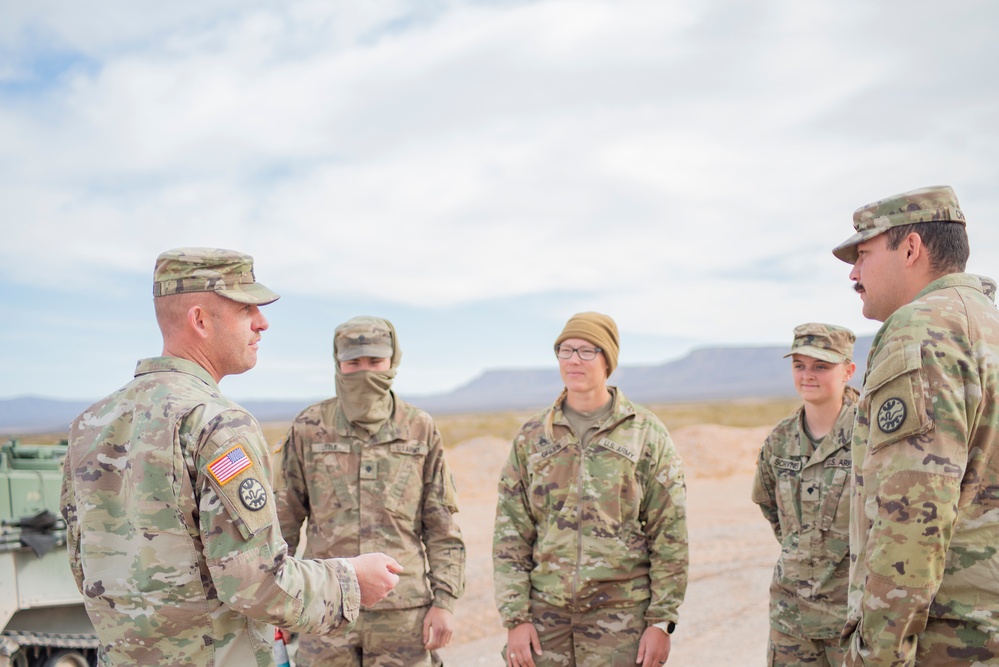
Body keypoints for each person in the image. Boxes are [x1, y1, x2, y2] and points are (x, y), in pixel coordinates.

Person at [60, 248, 402, 666]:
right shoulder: (216, 423)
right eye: (246, 309)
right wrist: (351, 581)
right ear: (200, 320)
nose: (262, 322)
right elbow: (255, 582)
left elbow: (84, 568)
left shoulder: (89, 424)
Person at [832, 185, 999, 664]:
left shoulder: (921, 328)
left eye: (863, 253)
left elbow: (914, 515)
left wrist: (879, 655)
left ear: (910, 249)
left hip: (948, 641)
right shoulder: (986, 324)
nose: (853, 272)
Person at [492, 312, 688, 667]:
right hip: (545, 617)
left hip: (620, 617)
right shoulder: (533, 436)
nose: (573, 360)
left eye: (586, 351)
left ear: (608, 359)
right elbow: (511, 534)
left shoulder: (645, 432)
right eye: (565, 350)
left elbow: (669, 532)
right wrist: (516, 618)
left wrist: (661, 621)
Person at [276, 315, 466, 666]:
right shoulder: (309, 428)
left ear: (393, 362)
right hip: (324, 608)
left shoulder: (419, 429)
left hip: (404, 615)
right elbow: (283, 525)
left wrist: (445, 603)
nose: (365, 372)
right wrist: (278, 604)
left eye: (375, 362)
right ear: (338, 363)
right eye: (354, 363)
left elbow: (442, 528)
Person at [751, 323, 858, 666]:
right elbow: (770, 506)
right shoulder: (780, 439)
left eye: (821, 366)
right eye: (799, 365)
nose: (807, 375)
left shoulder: (871, 436)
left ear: (848, 371)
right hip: (791, 617)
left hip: (853, 617)